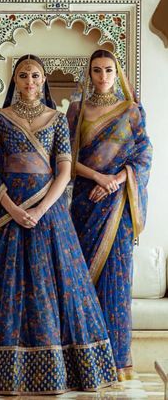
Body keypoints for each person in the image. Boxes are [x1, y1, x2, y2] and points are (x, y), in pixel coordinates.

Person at [0, 54, 117, 395]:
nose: (30, 81)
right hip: (6, 212)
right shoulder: (0, 119)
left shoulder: (56, 120)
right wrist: (11, 208)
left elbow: (65, 171)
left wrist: (40, 211)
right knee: (3, 289)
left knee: (54, 290)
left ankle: (59, 373)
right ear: (15, 80)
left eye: (36, 76)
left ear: (44, 81)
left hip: (48, 214)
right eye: (23, 75)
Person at [67, 49, 152, 381]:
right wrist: (98, 178)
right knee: (79, 281)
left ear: (117, 74)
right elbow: (64, 158)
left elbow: (144, 156)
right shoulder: (76, 111)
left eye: (108, 70)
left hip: (118, 208)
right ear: (89, 74)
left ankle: (115, 363)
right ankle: (81, 363)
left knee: (115, 281)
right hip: (85, 203)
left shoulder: (132, 112)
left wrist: (116, 181)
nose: (103, 77)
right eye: (97, 71)